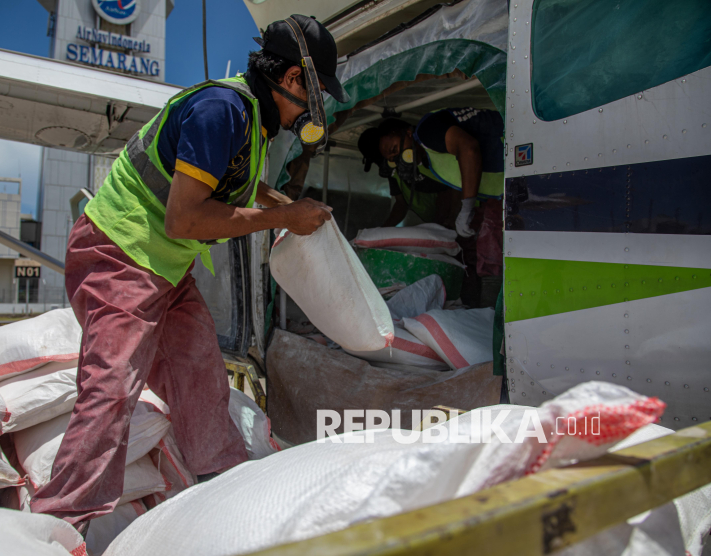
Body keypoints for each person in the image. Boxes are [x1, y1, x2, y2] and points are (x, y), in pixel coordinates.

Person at [30, 14, 349, 534]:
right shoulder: (221, 110)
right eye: (314, 97)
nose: (311, 113)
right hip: (120, 254)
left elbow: (233, 184)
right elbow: (186, 217)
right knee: (111, 391)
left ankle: (222, 490)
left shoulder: (250, 119)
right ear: (292, 80)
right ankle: (57, 527)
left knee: (201, 373)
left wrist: (280, 200)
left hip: (165, 266)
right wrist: (285, 218)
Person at [375, 108, 504, 236]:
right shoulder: (431, 160)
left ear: (408, 133)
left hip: (513, 147)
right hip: (506, 181)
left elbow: (468, 148)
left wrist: (466, 207)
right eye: (393, 160)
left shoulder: (426, 131)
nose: (399, 159)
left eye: (395, 149)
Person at [358, 127, 450, 227]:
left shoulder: (419, 158)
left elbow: (446, 189)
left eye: (394, 150)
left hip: (453, 213)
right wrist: (383, 229)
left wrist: (442, 224)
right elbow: (401, 204)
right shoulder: (393, 172)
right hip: (439, 222)